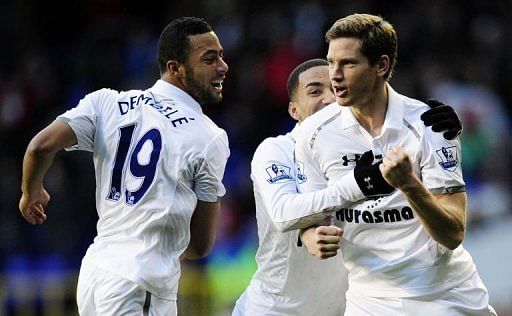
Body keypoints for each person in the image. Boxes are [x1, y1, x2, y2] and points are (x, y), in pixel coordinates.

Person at [18, 17, 229, 316]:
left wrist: (31, 191)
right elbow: (200, 246)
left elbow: (40, 146)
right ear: (175, 68)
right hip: (141, 280)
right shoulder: (209, 137)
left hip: (96, 274)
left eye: (221, 55)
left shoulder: (106, 103)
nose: (223, 66)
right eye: (210, 59)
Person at [294, 14, 496, 315]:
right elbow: (309, 214)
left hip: (445, 296)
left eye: (348, 63)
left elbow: (453, 233)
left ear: (382, 66)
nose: (334, 75)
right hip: (370, 301)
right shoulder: (314, 134)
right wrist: (310, 235)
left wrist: (409, 185)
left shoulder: (431, 126)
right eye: (331, 62)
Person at [233, 58, 464, 315]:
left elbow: (424, 192)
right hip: (275, 309)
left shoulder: (372, 143)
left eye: (334, 89)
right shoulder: (276, 150)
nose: (329, 99)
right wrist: (308, 229)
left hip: (345, 307)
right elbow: (283, 212)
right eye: (315, 91)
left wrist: (438, 135)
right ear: (294, 110)